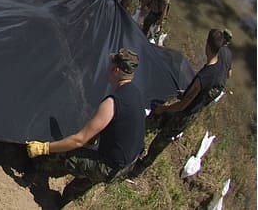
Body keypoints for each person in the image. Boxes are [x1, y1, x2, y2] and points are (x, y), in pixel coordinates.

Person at [26, 49, 144, 205]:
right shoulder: (135, 94)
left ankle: (37, 169)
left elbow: (78, 140)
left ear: (116, 70)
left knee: (65, 154)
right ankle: (62, 202)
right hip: (127, 164)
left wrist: (43, 148)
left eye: (111, 65)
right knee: (86, 177)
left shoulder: (113, 103)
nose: (108, 68)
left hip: (109, 165)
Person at [134, 29, 232, 173]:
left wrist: (164, 108)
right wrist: (190, 94)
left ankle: (141, 165)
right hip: (194, 108)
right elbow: (228, 74)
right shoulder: (226, 55)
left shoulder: (205, 76)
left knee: (161, 140)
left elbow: (183, 105)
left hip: (184, 114)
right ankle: (140, 146)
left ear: (207, 45)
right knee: (155, 125)